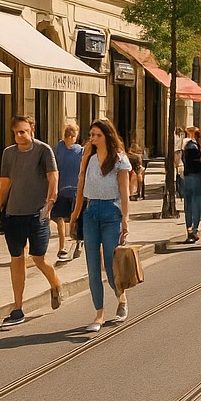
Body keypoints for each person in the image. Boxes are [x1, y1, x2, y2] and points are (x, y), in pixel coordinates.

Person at [0, 115, 63, 327]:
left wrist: (50, 202)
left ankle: (56, 284)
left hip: (37, 213)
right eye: (16, 132)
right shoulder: (8, 154)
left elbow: (53, 177)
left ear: (32, 130)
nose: (19, 136)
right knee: (17, 258)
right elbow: (5, 183)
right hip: (14, 213)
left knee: (38, 257)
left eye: (23, 131)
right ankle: (17, 306)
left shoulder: (43, 150)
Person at [72, 118, 133, 333]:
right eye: (91, 135)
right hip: (90, 213)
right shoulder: (87, 157)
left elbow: (125, 191)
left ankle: (121, 297)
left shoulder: (119, 159)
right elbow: (81, 184)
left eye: (97, 135)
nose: (93, 139)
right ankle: (99, 314)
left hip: (111, 213)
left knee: (109, 262)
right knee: (92, 266)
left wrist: (125, 217)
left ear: (107, 135)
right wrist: (76, 212)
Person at [53, 121, 84, 262]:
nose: (72, 138)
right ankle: (64, 245)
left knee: (71, 218)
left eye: (73, 136)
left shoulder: (79, 151)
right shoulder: (60, 148)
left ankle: (75, 242)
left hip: (73, 189)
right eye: (70, 135)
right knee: (61, 217)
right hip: (63, 189)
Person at [180, 126, 201, 243]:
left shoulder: (189, 146)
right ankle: (195, 229)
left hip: (188, 176)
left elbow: (184, 160)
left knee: (188, 203)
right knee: (196, 202)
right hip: (198, 178)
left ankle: (189, 230)